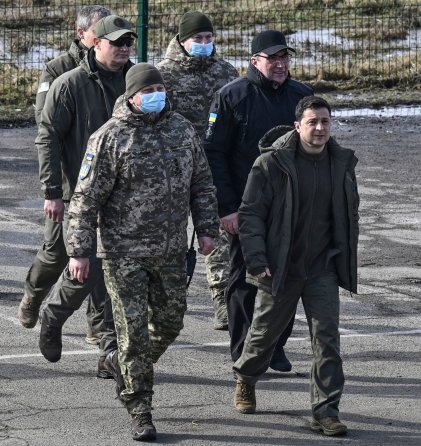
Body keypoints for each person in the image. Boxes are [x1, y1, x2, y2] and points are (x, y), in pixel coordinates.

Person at [65, 63, 219, 442]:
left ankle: (121, 363)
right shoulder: (110, 138)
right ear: (132, 96)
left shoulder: (182, 130)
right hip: (123, 252)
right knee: (132, 332)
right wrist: (79, 251)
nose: (156, 96)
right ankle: (140, 408)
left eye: (160, 89)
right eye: (148, 91)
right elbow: (84, 200)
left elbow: (202, 182)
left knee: (170, 323)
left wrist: (207, 228)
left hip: (169, 249)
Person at [232, 96, 359, 437]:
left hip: (322, 268)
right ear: (297, 126)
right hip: (281, 267)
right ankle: (245, 376)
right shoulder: (271, 164)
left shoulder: (341, 162)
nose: (319, 129)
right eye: (312, 122)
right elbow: (251, 216)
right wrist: (257, 260)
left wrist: (343, 255)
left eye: (325, 122)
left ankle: (326, 411)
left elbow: (349, 213)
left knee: (327, 340)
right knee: (264, 335)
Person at [28, 14, 136, 377]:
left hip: (124, 201)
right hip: (80, 195)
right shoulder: (68, 83)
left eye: (128, 43)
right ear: (95, 42)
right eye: (117, 42)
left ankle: (109, 351)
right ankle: (49, 311)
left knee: (113, 274)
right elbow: (49, 137)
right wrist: (53, 192)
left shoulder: (135, 82)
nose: (124, 48)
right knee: (74, 264)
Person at [204, 30, 313, 371]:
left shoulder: (302, 96)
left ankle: (274, 346)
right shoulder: (232, 96)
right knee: (243, 282)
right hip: (246, 207)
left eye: (284, 58)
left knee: (288, 279)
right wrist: (227, 208)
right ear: (254, 61)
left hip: (292, 207)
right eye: (272, 58)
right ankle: (242, 351)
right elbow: (215, 154)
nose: (280, 65)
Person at [22, 4, 111, 349]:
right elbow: (47, 132)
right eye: (99, 32)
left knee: (101, 254)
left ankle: (98, 324)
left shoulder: (117, 71)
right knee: (58, 251)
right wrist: (54, 190)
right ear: (82, 34)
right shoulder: (58, 70)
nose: (107, 39)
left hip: (104, 185)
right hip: (69, 183)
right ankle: (34, 293)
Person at [156, 11, 239, 330]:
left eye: (208, 38)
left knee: (217, 231)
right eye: (197, 39)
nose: (204, 44)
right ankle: (162, 299)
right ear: (182, 40)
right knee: (171, 234)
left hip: (214, 164)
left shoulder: (226, 72)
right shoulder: (164, 74)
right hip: (175, 165)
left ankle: (222, 299)